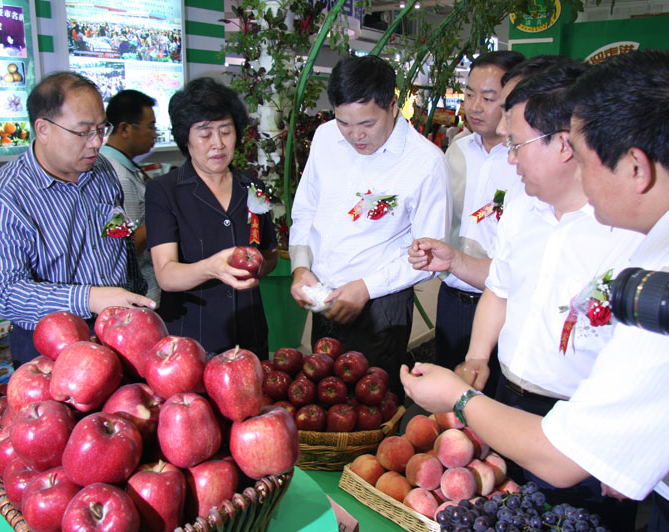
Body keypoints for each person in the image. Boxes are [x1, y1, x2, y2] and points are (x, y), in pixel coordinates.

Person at [402, 50, 669, 532]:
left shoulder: (651, 260)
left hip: (578, 425)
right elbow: (503, 287)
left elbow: (569, 456)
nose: (509, 159)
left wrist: (457, 398)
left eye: (588, 159)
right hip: (520, 406)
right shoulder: (529, 207)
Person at [289, 54, 451, 396]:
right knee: (324, 401)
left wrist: (366, 287)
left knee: (373, 405)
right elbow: (305, 210)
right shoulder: (324, 138)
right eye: (344, 122)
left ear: (393, 105)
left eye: (366, 123)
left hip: (381, 307)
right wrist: (301, 268)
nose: (354, 135)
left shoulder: (425, 163)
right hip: (325, 297)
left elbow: (428, 256)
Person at [0, 71, 154, 365]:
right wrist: (90, 299)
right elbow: (7, 293)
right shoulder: (6, 199)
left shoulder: (103, 172)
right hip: (49, 348)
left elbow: (118, 237)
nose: (96, 142)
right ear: (43, 129)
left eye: (101, 129)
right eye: (83, 132)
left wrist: (133, 293)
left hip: (119, 331)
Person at [145, 77, 278, 360]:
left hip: (250, 334)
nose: (218, 144)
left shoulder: (252, 187)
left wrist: (254, 270)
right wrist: (213, 268)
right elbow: (166, 274)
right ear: (186, 138)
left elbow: (270, 255)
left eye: (226, 131)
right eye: (205, 134)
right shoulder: (164, 191)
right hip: (193, 341)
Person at [430, 50, 524, 397]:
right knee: (448, 406)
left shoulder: (523, 159)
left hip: (503, 304)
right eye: (469, 94)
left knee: (496, 404)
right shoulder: (457, 149)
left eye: (488, 97)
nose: (474, 106)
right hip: (453, 297)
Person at [101, 89, 161, 305]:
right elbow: (127, 245)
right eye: (150, 127)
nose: (154, 134)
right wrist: (166, 216)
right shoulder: (117, 176)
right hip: (137, 295)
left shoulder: (123, 167)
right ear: (124, 128)